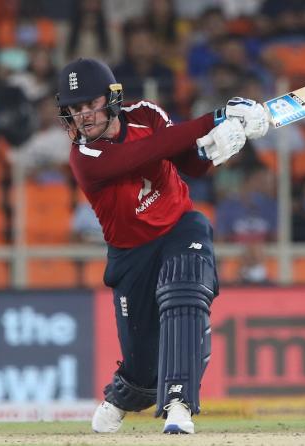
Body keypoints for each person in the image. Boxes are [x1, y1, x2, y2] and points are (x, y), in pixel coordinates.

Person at [55, 57, 268, 434]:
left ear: (112, 98)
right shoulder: (84, 158)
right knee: (142, 371)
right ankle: (122, 395)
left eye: (90, 104)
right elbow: (148, 153)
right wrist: (216, 118)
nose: (83, 116)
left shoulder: (146, 114)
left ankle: (180, 405)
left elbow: (189, 163)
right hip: (131, 254)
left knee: (184, 293)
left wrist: (219, 146)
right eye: (74, 109)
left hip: (178, 226)